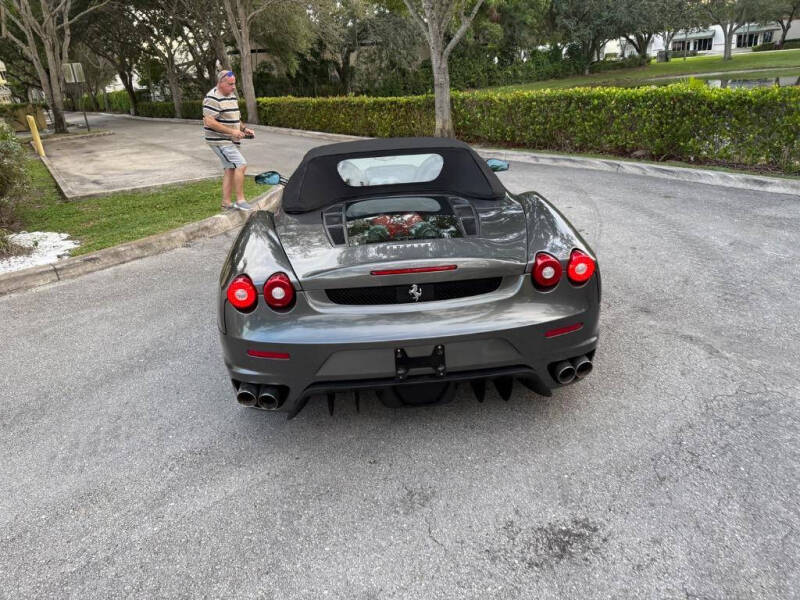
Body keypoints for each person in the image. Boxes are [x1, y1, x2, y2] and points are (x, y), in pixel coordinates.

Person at [203, 70, 255, 211]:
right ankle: (240, 200)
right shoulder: (212, 98)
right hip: (219, 140)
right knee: (241, 164)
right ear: (220, 83)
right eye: (230, 84)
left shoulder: (231, 96)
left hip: (230, 140)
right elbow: (209, 122)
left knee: (230, 169)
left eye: (234, 84)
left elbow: (235, 117)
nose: (233, 87)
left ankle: (226, 203)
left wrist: (244, 129)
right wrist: (233, 132)